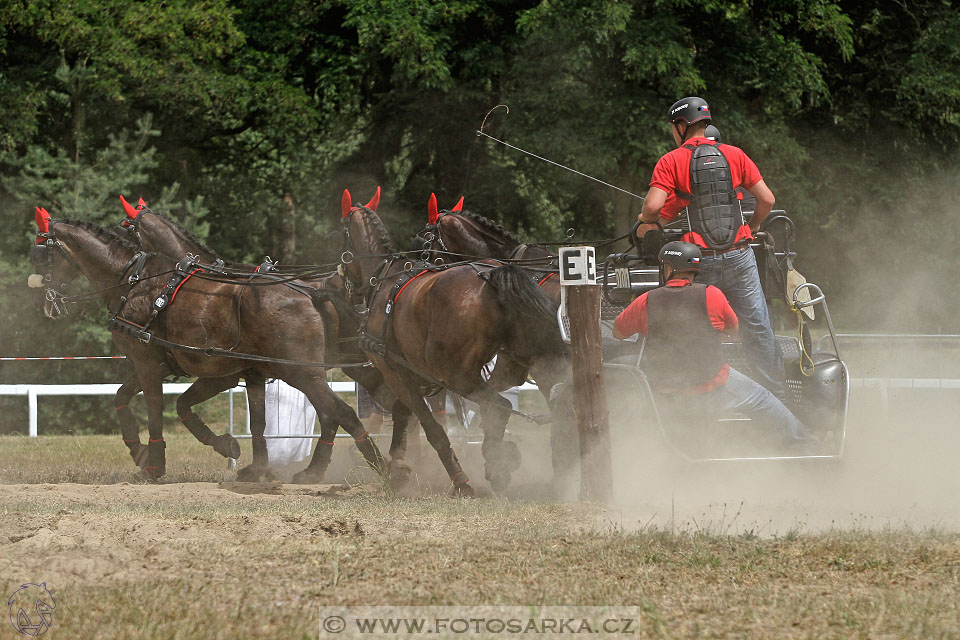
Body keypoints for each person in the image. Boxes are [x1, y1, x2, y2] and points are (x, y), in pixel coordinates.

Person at [635, 96, 786, 400]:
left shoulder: (671, 160)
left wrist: (644, 218)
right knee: (757, 328)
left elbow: (653, 209)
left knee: (696, 333)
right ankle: (778, 398)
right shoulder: (735, 155)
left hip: (698, 265)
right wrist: (753, 226)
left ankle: (699, 399)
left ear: (681, 125)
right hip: (740, 258)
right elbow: (767, 200)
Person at [612, 241, 810, 447]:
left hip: (667, 390)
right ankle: (807, 446)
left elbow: (618, 332)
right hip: (714, 383)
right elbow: (733, 328)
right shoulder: (712, 294)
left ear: (669, 268)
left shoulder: (646, 301)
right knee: (765, 401)